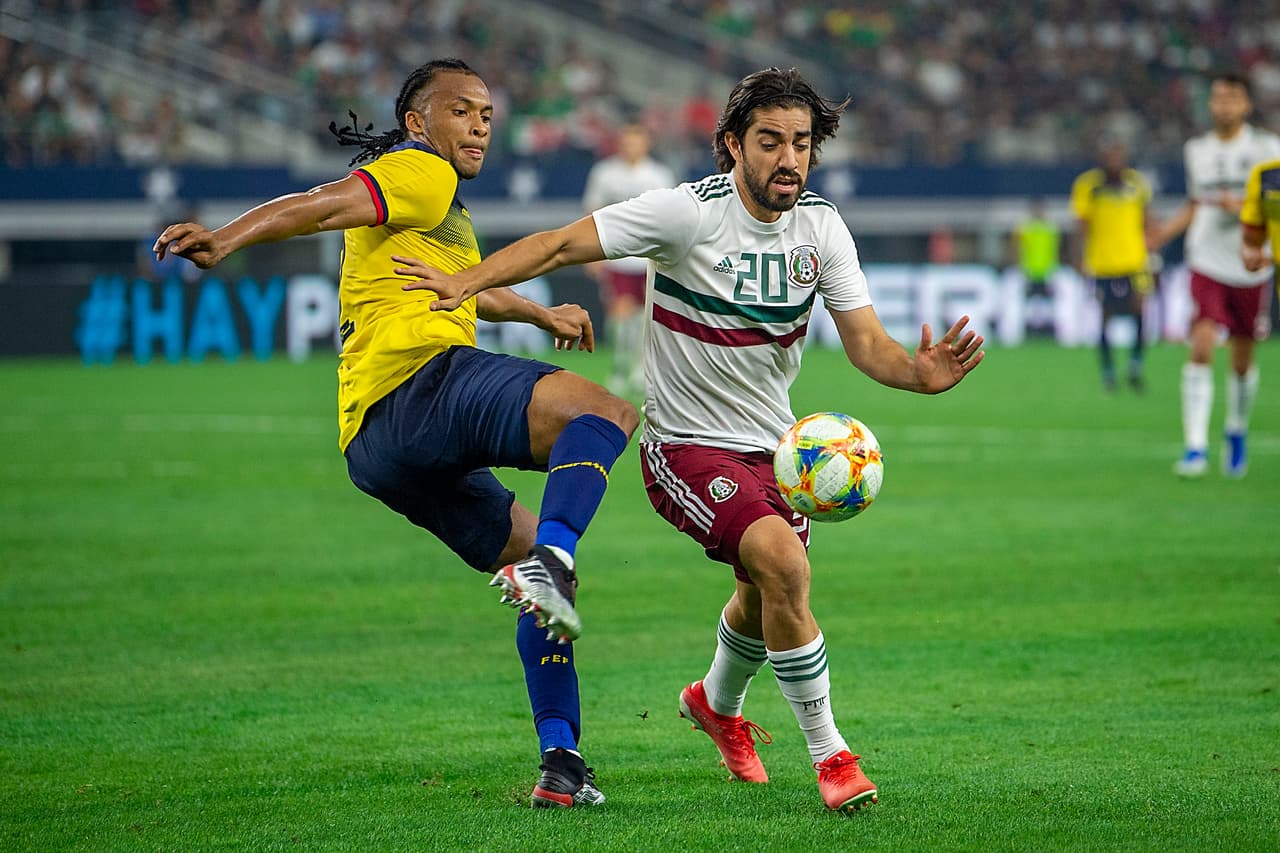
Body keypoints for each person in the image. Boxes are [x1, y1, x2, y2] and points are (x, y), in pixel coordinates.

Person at [393, 66, 985, 814]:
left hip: (777, 450)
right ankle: (832, 754)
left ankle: (713, 702)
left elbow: (867, 343)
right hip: (684, 447)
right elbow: (558, 245)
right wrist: (468, 280)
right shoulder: (684, 214)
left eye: (801, 143)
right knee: (781, 564)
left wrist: (916, 373)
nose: (789, 159)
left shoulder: (822, 227)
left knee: (761, 591)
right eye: (770, 141)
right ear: (732, 144)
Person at [153, 59, 640, 809]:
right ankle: (555, 557)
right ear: (419, 122)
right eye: (462, 110)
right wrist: (225, 238)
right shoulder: (420, 170)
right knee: (603, 416)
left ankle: (562, 765)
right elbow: (320, 204)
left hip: (374, 448)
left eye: (487, 112)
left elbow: (460, 281)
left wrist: (541, 314)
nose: (481, 124)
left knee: (538, 570)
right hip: (420, 385)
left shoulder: (429, 201)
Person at [1149, 72, 1280, 478]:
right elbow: (1195, 203)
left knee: (1242, 361)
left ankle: (1236, 431)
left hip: (1249, 263)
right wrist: (1164, 232)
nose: (1223, 105)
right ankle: (1195, 448)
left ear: (1246, 104)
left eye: (1231, 98)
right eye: (1218, 98)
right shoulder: (1197, 150)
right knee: (1202, 344)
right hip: (1205, 258)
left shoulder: (1267, 148)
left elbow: (1272, 206)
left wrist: (1244, 211)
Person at [582, 121, 676, 397]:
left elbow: (670, 216)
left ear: (646, 142)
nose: (631, 146)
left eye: (637, 140)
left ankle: (641, 369)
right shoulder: (605, 173)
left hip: (650, 258)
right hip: (617, 256)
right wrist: (592, 255)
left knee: (647, 319)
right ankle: (621, 367)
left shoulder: (659, 175)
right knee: (621, 317)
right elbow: (593, 212)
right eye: (627, 140)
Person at [1069, 140, 1153, 392]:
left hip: (1134, 260)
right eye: (1109, 155)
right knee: (1105, 317)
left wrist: (1152, 251)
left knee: (1140, 311)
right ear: (1102, 157)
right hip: (1102, 262)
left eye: (1118, 155)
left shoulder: (1137, 183)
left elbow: (1147, 220)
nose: (1114, 160)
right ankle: (1108, 372)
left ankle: (1135, 367)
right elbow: (1080, 224)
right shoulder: (1087, 185)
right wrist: (1078, 258)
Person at [1011, 196, 1060, 337]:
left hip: (1047, 272)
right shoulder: (1025, 228)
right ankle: (1028, 331)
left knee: (1049, 304)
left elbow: (1054, 250)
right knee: (1028, 304)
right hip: (1029, 271)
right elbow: (1017, 248)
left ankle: (1049, 331)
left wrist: (1053, 268)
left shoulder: (1050, 228)